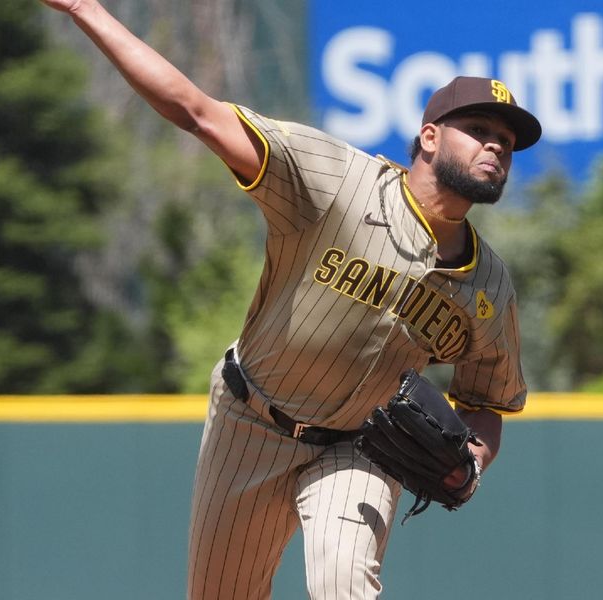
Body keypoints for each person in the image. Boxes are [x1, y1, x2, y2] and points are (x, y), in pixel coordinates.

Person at [39, 2, 542, 598]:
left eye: (506, 141)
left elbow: (487, 402)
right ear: (429, 138)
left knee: (344, 585)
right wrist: (83, 9)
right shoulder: (336, 182)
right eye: (479, 131)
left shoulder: (489, 285)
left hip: (362, 446)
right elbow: (197, 112)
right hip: (250, 420)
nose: (496, 148)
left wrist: (473, 462)